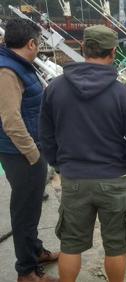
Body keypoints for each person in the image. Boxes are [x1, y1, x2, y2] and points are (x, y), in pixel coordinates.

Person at [39, 25, 126, 282]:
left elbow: (46, 136)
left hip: (74, 179)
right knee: (116, 247)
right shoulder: (123, 94)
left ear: (83, 48)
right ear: (113, 52)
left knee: (70, 245)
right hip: (114, 179)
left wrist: (60, 165)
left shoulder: (54, 88)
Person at [0, 19, 59, 282]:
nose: (40, 48)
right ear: (31, 43)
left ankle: (35, 251)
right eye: (39, 43)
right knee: (24, 211)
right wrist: (33, 154)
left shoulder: (18, 65)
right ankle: (26, 271)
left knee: (32, 206)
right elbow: (11, 120)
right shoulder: (7, 72)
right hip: (21, 154)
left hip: (29, 150)